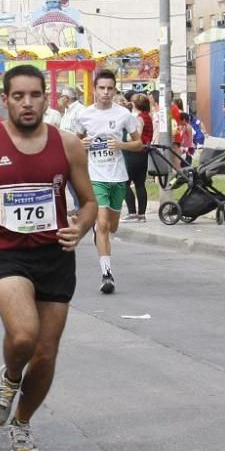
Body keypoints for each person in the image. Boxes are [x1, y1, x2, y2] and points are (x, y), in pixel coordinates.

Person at [0, 65, 97, 451]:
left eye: (35, 95)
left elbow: (89, 203)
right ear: (5, 100)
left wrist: (80, 228)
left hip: (55, 255)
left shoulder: (68, 145)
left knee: (46, 353)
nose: (27, 103)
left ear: (46, 99)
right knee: (23, 335)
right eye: (18, 96)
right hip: (6, 253)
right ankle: (10, 377)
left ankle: (23, 423)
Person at [75, 69, 142, 294]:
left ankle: (101, 233)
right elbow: (73, 143)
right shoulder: (84, 115)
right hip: (96, 177)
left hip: (118, 176)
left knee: (112, 226)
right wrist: (81, 144)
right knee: (102, 224)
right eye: (101, 88)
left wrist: (121, 145)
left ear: (114, 90)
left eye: (109, 88)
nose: (105, 92)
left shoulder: (124, 114)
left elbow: (139, 144)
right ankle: (107, 275)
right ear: (94, 90)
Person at [121, 94, 153, 223]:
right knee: (140, 184)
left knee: (124, 183)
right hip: (143, 153)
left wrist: (126, 137)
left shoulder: (139, 118)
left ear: (136, 104)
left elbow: (134, 137)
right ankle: (141, 215)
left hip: (133, 153)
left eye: (132, 102)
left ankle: (132, 212)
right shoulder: (147, 116)